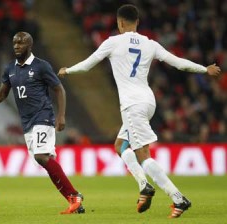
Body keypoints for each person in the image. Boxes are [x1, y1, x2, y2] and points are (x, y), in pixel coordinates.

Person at [58, 4, 221, 218]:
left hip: (132, 104)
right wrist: (204, 69)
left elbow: (88, 65)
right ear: (138, 22)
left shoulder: (113, 42)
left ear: (120, 22)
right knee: (120, 146)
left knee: (144, 155)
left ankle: (178, 198)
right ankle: (144, 185)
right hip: (148, 101)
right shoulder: (149, 43)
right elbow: (178, 62)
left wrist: (67, 70)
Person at [0, 31, 85, 215]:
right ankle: (74, 201)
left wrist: (61, 116)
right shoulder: (10, 68)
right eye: (15, 43)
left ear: (30, 45)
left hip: (43, 116)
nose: (17, 45)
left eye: (22, 42)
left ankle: (74, 196)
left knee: (41, 156)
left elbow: (59, 89)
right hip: (27, 122)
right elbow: (3, 93)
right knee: (44, 160)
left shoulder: (41, 66)